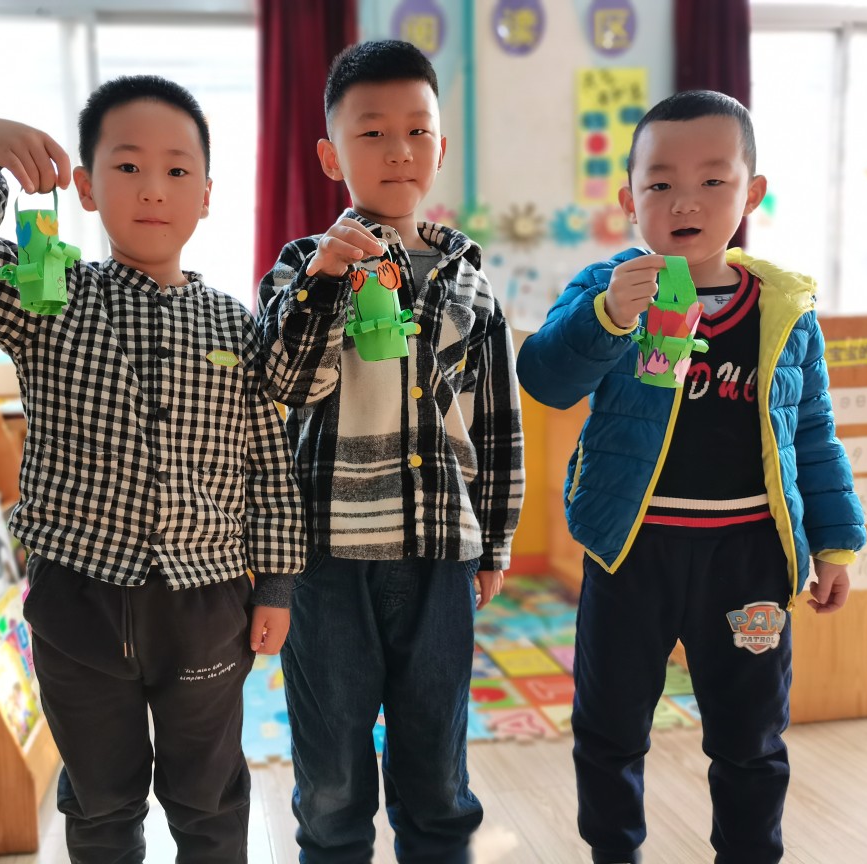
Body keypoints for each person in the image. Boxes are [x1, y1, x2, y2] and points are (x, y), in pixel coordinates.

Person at [0, 75, 306, 864]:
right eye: (128, 167)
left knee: (209, 794)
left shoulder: (236, 325)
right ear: (87, 188)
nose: (153, 188)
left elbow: (269, 463)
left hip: (205, 598)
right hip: (78, 597)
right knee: (99, 798)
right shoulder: (48, 299)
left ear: (206, 197)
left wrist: (279, 584)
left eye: (177, 170)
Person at [516, 90, 867, 864]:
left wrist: (836, 544)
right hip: (630, 552)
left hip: (748, 561)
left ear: (752, 192)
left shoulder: (783, 309)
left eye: (713, 180)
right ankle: (614, 852)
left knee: (751, 736)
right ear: (628, 199)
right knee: (608, 730)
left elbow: (813, 433)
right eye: (660, 183)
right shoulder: (609, 288)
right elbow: (543, 379)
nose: (685, 201)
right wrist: (608, 317)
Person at [258, 40, 524, 863]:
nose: (399, 149)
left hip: (441, 548)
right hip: (327, 554)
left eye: (417, 130)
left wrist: (497, 539)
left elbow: (497, 422)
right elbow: (284, 383)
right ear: (331, 156)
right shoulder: (300, 267)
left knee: (436, 764)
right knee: (332, 773)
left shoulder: (470, 278)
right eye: (372, 133)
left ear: (441, 148)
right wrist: (326, 283)